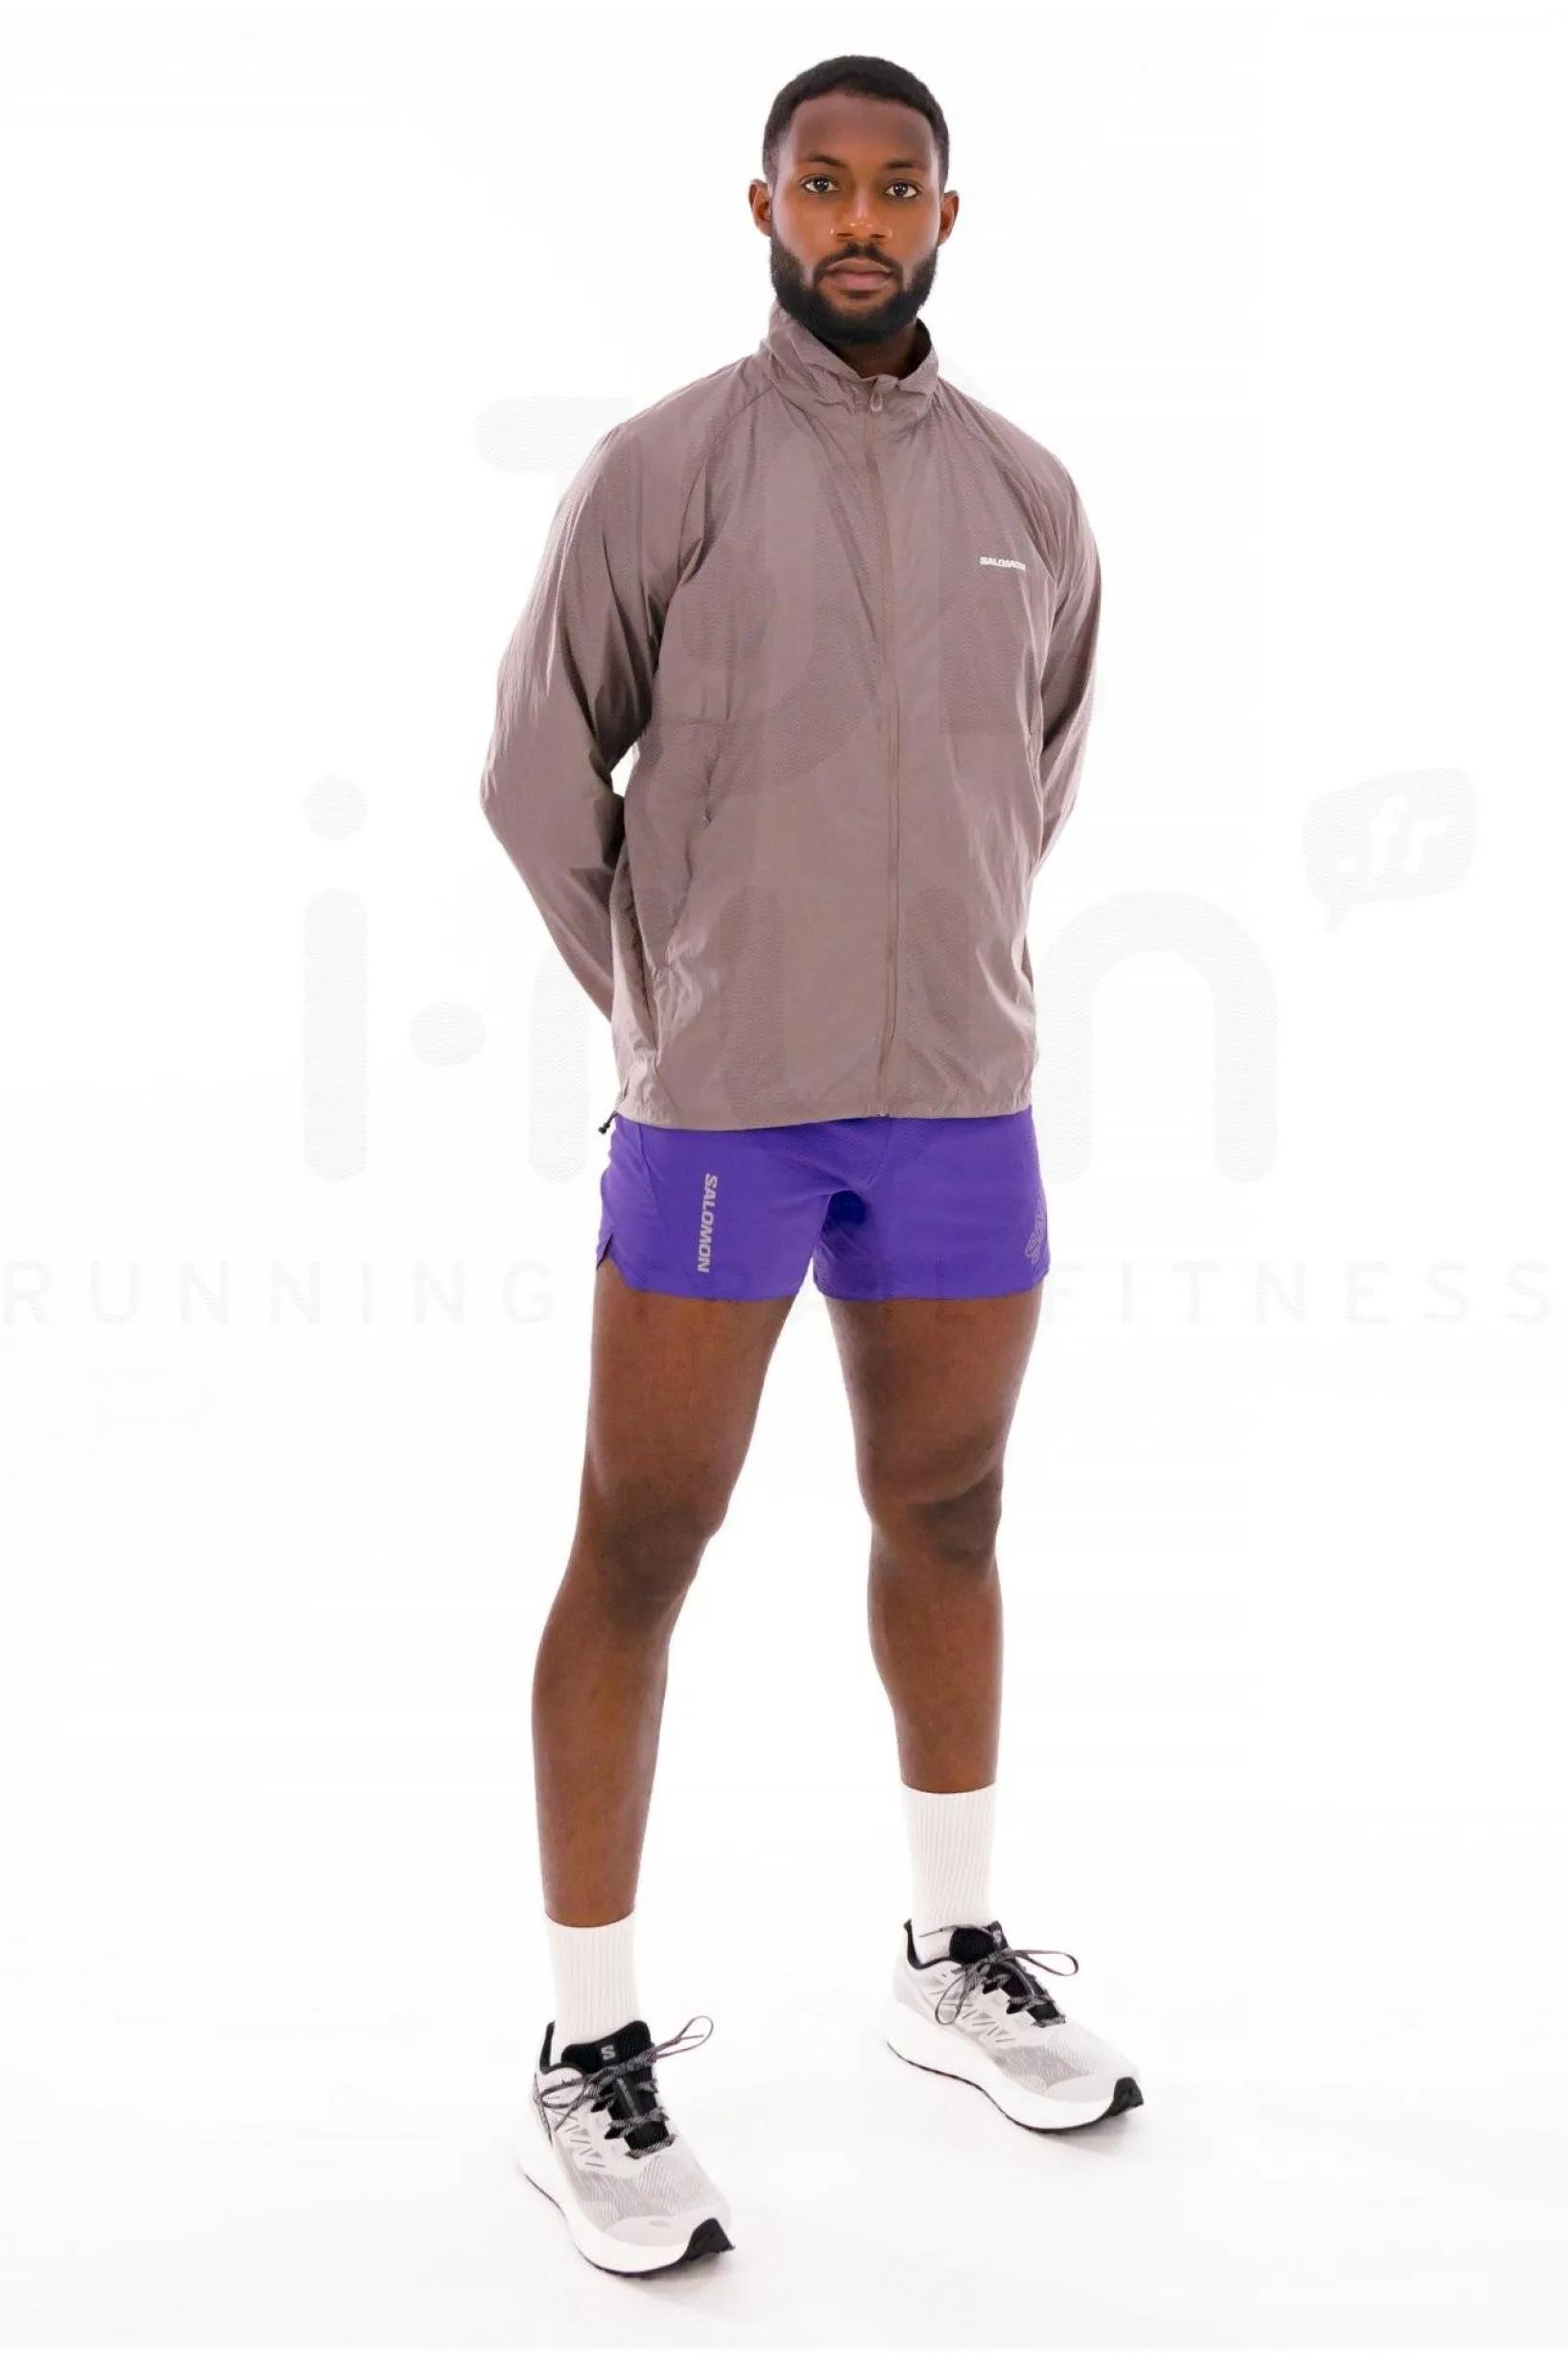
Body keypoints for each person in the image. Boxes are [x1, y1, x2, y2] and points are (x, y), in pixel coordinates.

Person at [479, 52, 1142, 2277]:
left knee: (947, 1511)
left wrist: (935, 966)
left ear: (947, 215)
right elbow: (534, 769)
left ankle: (949, 1958)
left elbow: (1033, 774)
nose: (860, 217)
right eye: (824, 183)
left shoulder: (1031, 494)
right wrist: (675, 999)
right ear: (761, 205)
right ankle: (587, 2047)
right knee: (640, 1537)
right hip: (718, 1116)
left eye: (898, 186)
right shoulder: (660, 468)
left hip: (960, 1095)